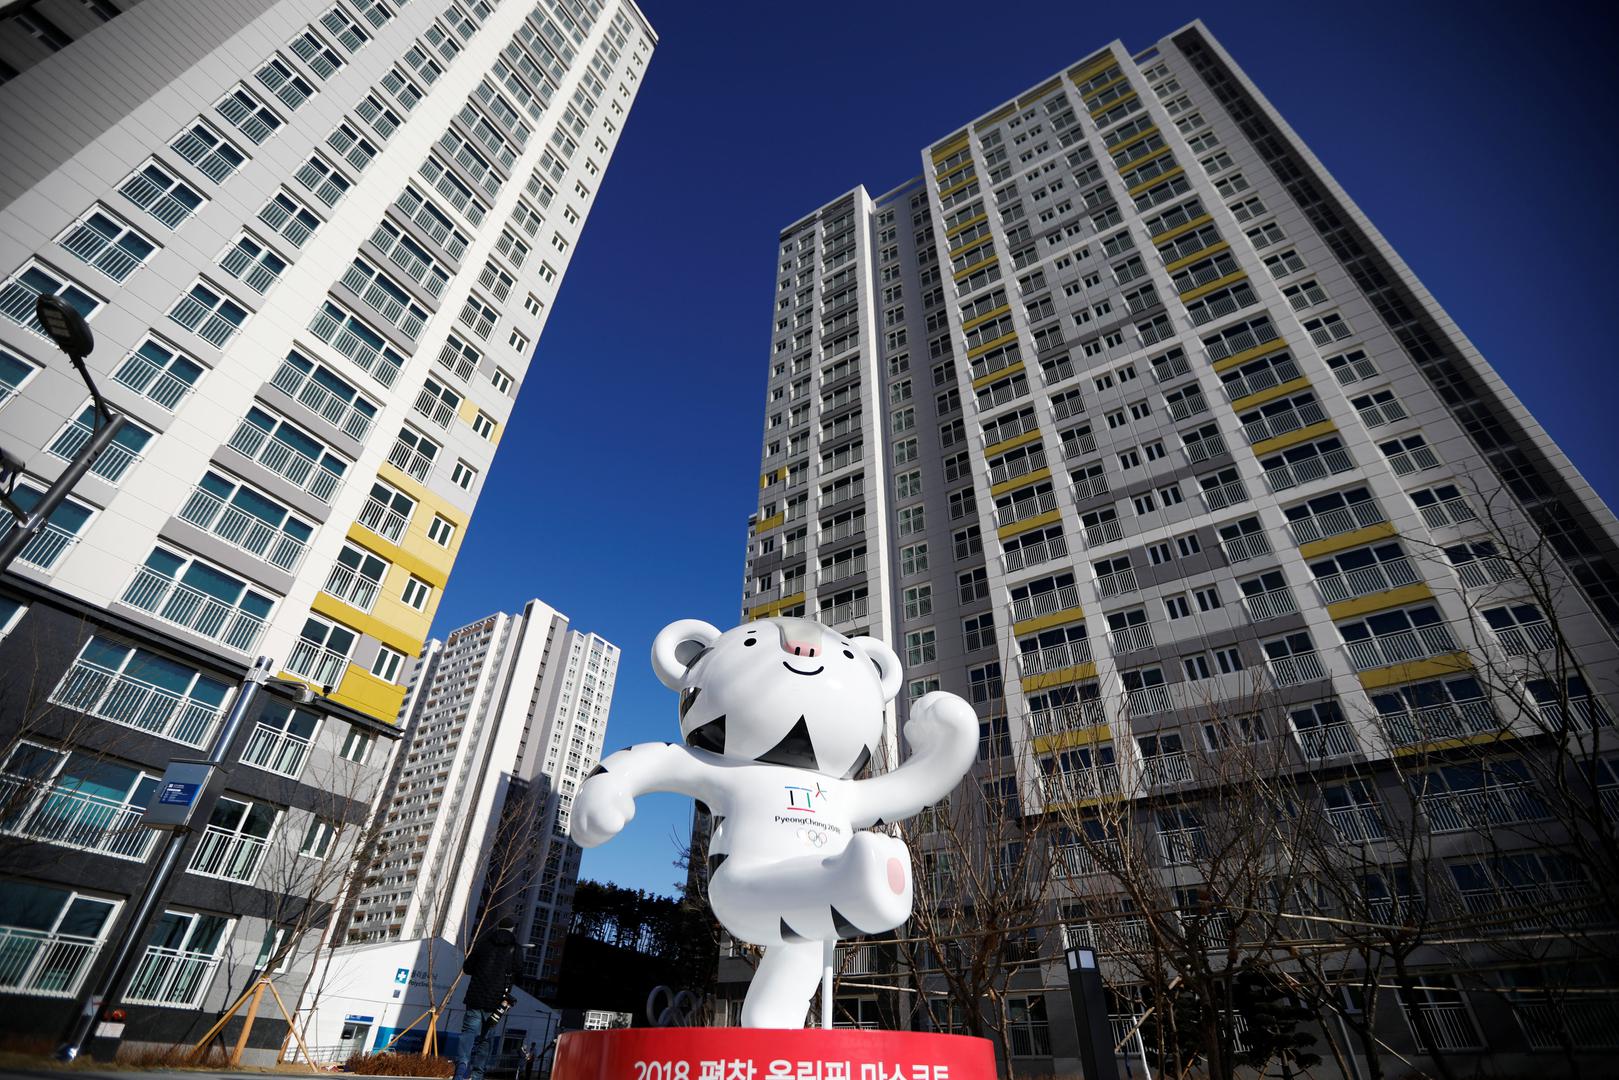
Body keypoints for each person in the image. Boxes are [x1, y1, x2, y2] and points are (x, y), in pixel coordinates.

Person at [454, 916, 520, 1080]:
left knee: (468, 1033)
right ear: (512, 930)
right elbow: (519, 972)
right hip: (497, 1002)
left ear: (498, 927)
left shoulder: (484, 943)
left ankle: (461, 1066)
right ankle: (478, 1074)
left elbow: (468, 968)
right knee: (486, 1039)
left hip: (475, 997)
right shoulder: (515, 948)